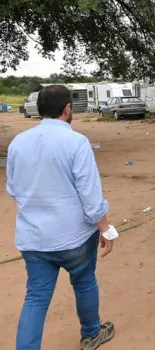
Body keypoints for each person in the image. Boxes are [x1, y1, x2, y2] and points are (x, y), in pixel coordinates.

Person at [6, 85, 117, 350]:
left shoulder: (18, 142)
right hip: (74, 237)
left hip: (33, 238)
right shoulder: (76, 142)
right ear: (67, 109)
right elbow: (90, 197)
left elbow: (13, 188)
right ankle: (91, 333)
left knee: (35, 298)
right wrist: (105, 228)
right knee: (84, 280)